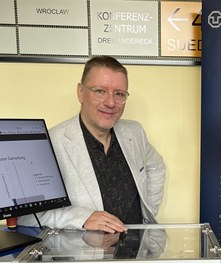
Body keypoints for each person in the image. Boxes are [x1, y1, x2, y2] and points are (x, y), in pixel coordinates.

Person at [19, 56, 165, 232]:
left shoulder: (134, 132)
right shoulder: (51, 144)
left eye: (119, 94)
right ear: (81, 92)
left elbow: (156, 167)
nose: (110, 103)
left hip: (137, 252)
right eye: (100, 91)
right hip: (87, 255)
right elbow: (27, 216)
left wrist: (147, 214)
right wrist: (82, 217)